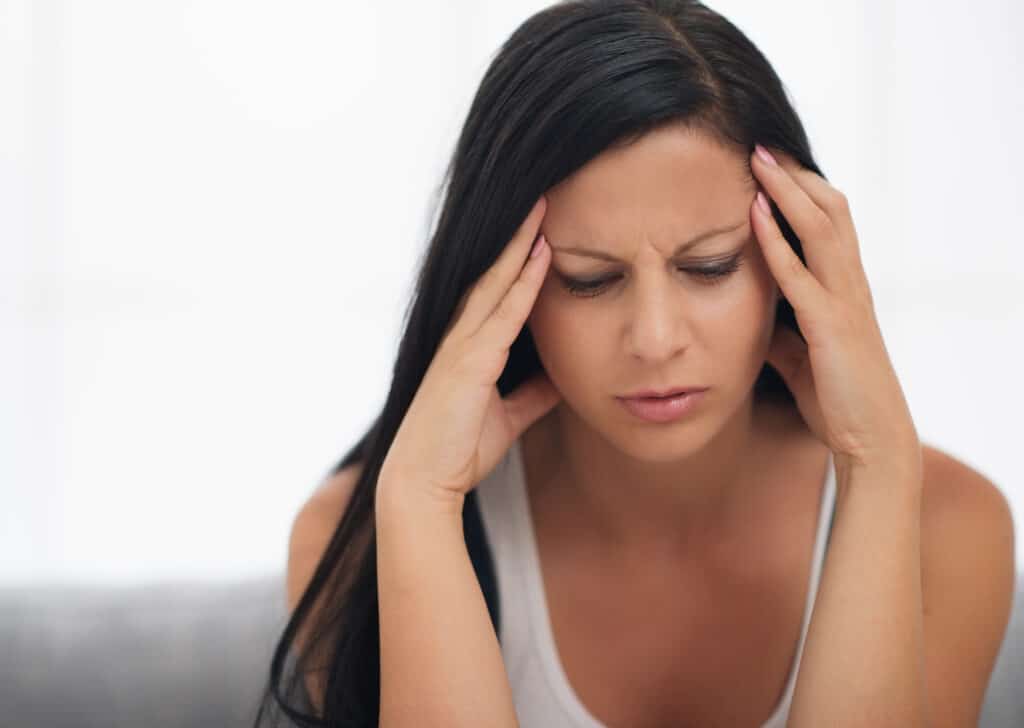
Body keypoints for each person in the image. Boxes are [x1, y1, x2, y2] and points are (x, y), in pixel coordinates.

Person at [253, 1, 1015, 726]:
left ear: (798, 261)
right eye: (590, 278)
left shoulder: (947, 527)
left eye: (711, 266)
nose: (654, 339)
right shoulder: (355, 543)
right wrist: (420, 502)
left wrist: (877, 464)